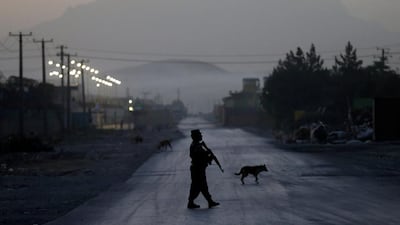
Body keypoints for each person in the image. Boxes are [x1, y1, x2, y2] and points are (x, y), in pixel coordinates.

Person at [187, 129, 220, 209]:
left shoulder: (196, 145)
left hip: (198, 168)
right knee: (198, 186)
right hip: (197, 169)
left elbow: (201, 156)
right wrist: (209, 157)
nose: (201, 136)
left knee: (201, 186)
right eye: (199, 135)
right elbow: (199, 158)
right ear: (196, 137)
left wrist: (208, 156)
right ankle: (192, 202)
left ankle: (208, 201)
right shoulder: (196, 146)